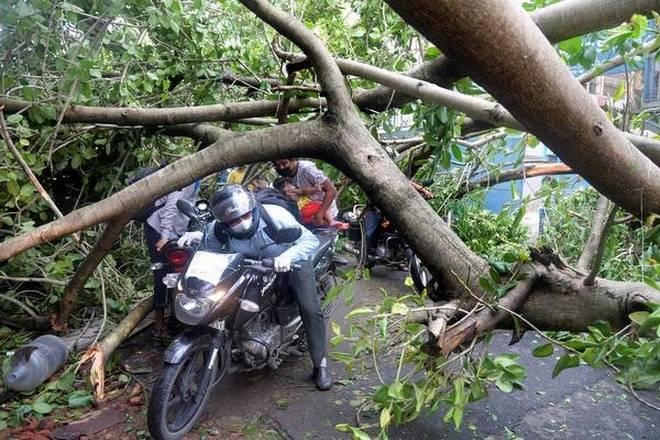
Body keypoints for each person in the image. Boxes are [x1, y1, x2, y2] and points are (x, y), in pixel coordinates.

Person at [178, 184, 333, 391]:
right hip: (249, 266)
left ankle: (320, 364)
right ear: (224, 222)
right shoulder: (218, 228)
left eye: (245, 216)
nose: (241, 223)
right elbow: (210, 253)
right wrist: (196, 237)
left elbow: (309, 241)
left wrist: (287, 257)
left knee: (309, 307)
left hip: (289, 260)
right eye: (233, 221)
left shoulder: (275, 216)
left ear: (252, 209)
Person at [129, 166, 199, 338]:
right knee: (161, 272)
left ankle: (176, 316)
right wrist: (165, 235)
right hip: (159, 229)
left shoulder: (198, 177)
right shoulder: (188, 174)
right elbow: (172, 206)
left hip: (175, 230)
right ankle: (159, 323)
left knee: (178, 272)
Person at [272, 159, 338, 226]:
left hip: (325, 212)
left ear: (292, 160)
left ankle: (332, 223)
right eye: (277, 165)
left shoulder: (307, 169)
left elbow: (331, 190)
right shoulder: (286, 175)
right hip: (309, 215)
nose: (281, 167)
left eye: (284, 163)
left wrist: (320, 215)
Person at [273, 177, 348, 230]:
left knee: (319, 213)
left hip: (308, 212)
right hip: (303, 213)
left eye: (288, 184)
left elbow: (305, 191)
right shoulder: (287, 196)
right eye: (285, 186)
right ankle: (332, 222)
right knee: (319, 206)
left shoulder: (296, 190)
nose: (288, 187)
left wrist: (316, 188)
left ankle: (334, 224)